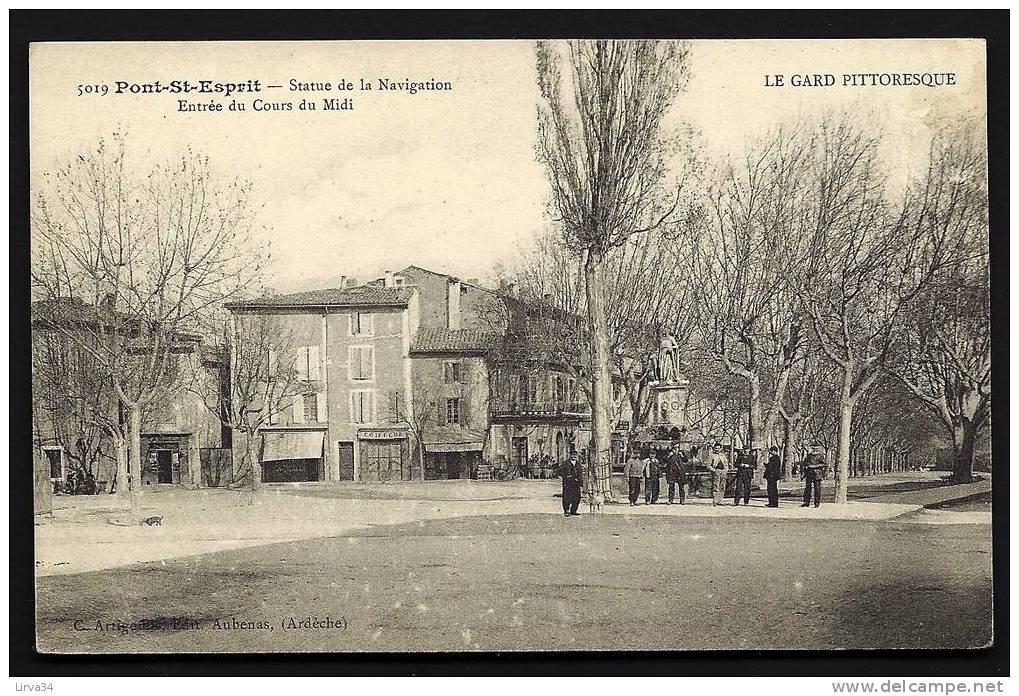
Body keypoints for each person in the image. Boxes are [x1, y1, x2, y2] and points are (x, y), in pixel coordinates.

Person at [559, 452, 584, 516]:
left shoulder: (578, 464)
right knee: (567, 497)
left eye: (575, 455)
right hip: (568, 483)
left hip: (576, 483)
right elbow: (560, 471)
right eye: (572, 455)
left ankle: (573, 510)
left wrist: (580, 482)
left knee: (577, 497)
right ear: (570, 455)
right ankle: (566, 511)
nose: (574, 456)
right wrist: (566, 476)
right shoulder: (565, 463)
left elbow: (580, 474)